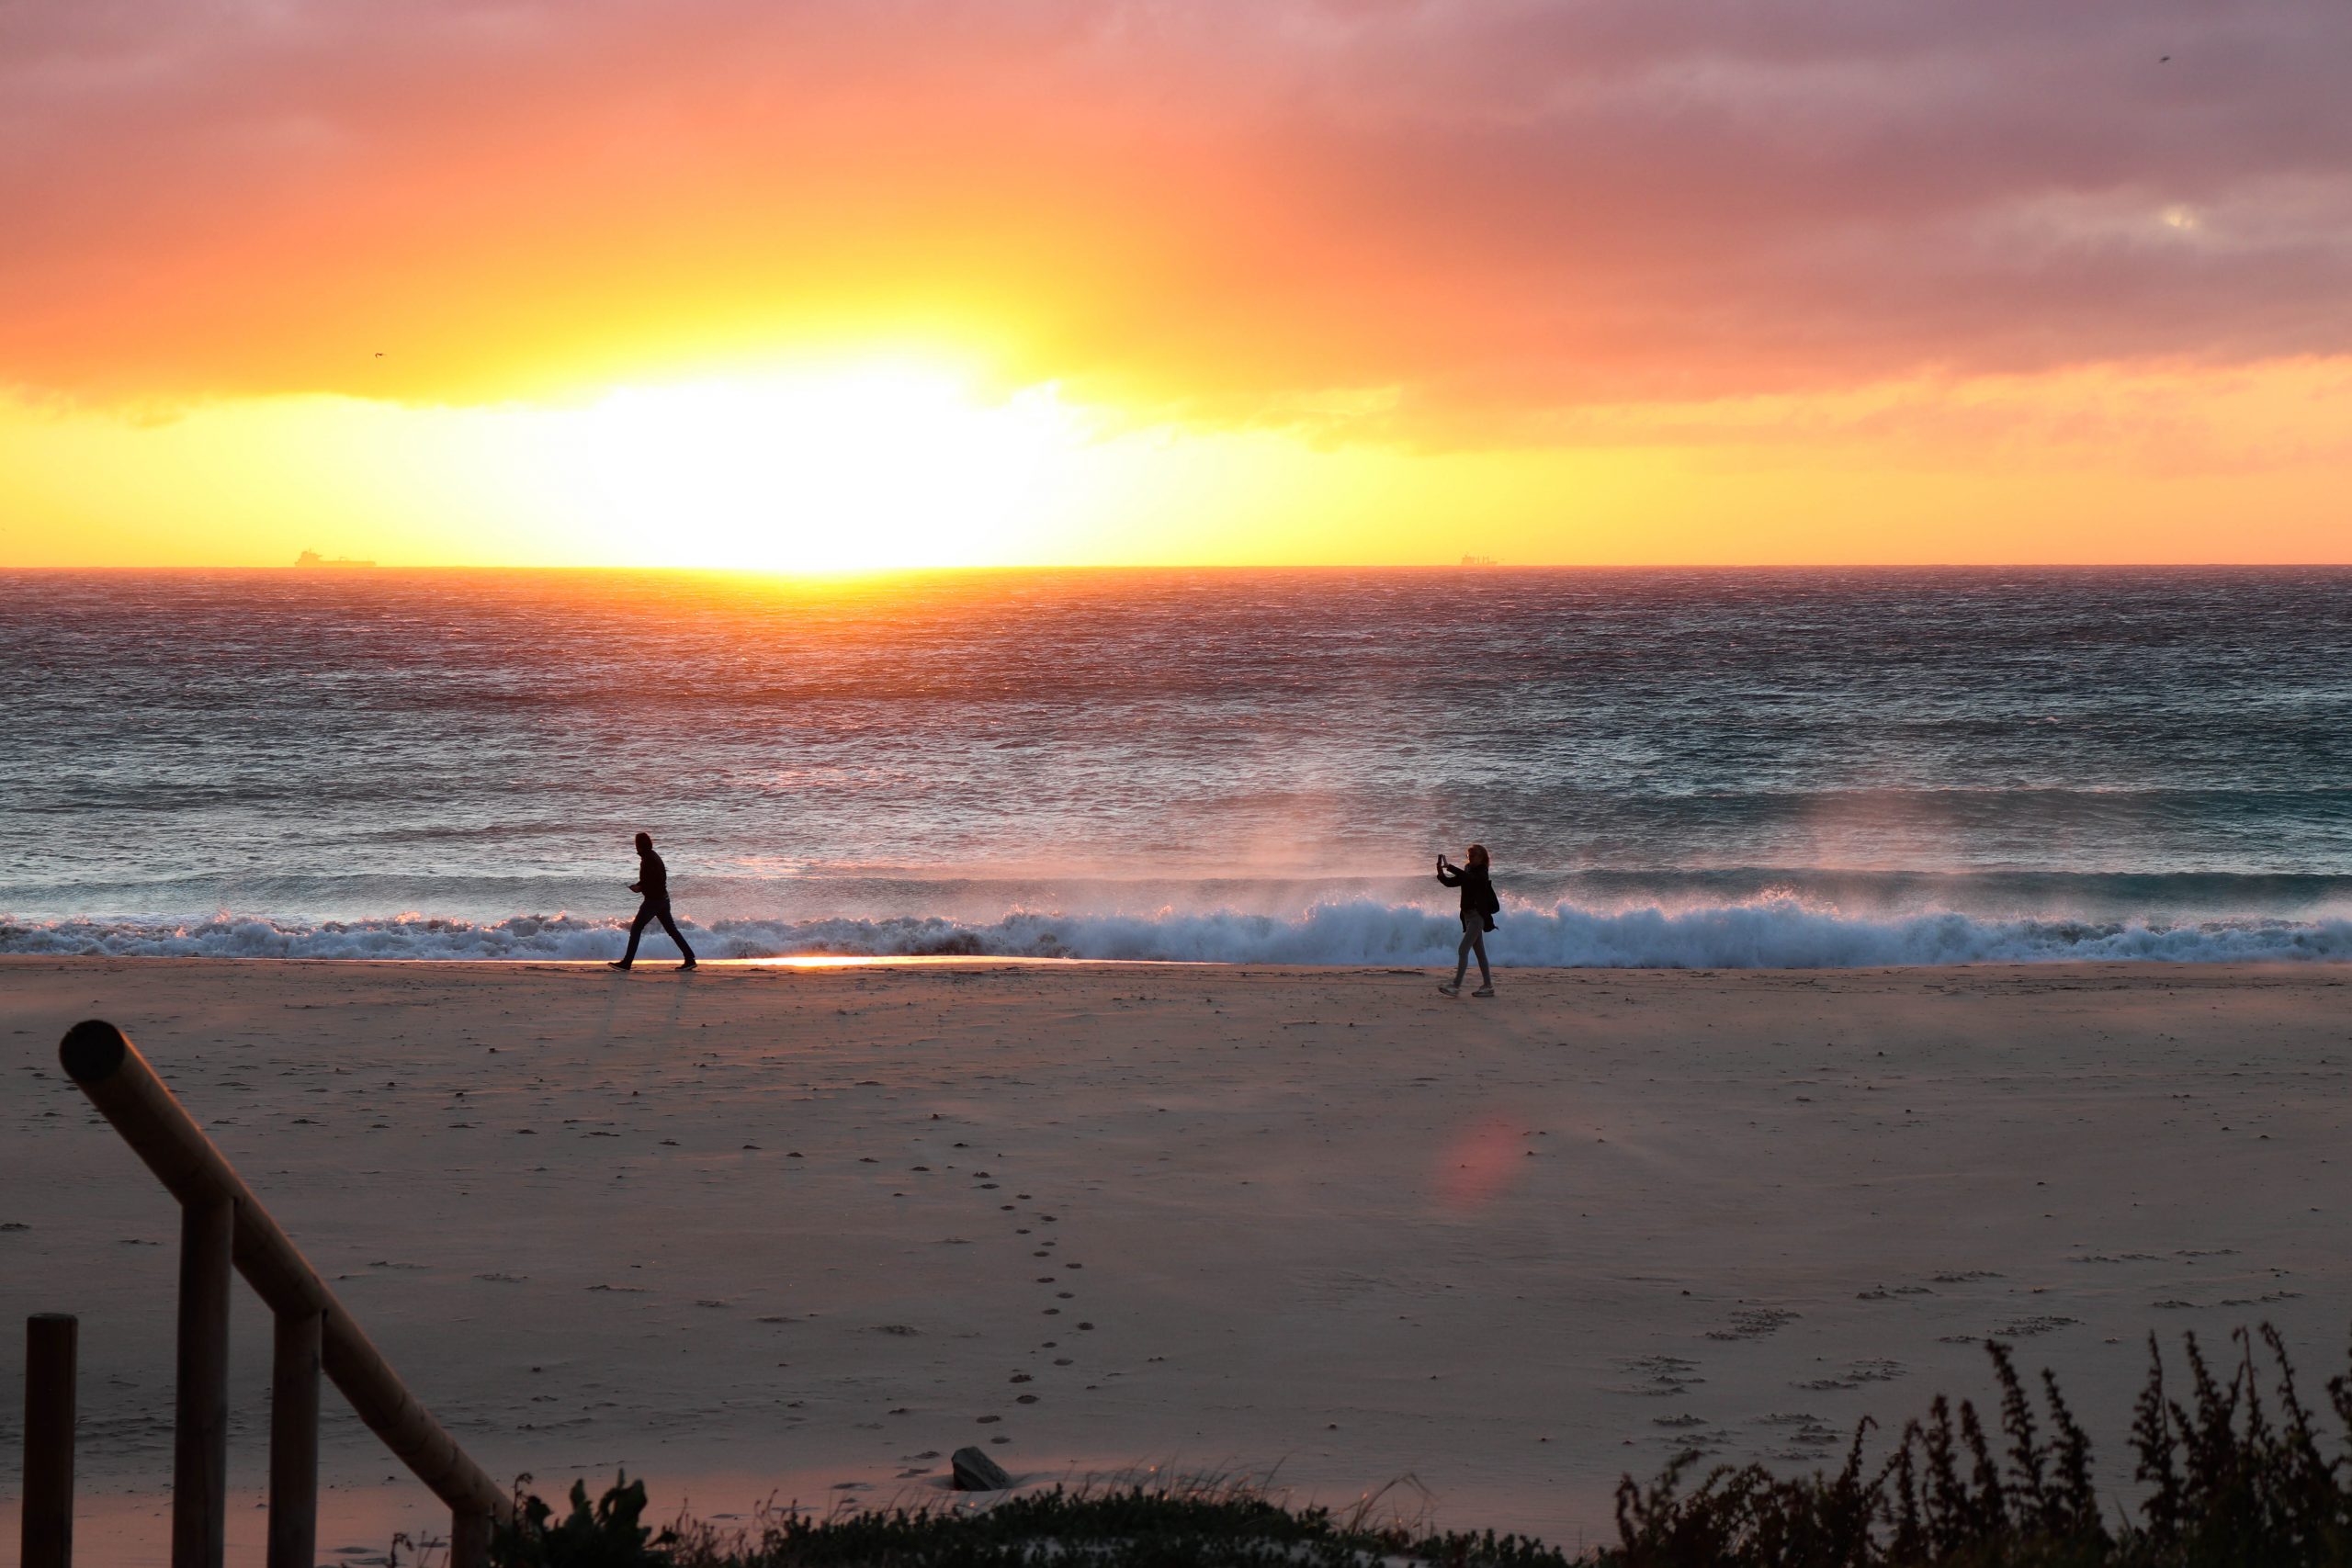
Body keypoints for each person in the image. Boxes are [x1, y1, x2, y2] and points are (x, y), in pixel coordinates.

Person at [608, 830, 697, 971]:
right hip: (663, 899)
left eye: (636, 844)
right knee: (672, 930)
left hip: (653, 901)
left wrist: (639, 888)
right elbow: (652, 880)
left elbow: (651, 882)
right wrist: (640, 885)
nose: (635, 847)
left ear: (639, 846)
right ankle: (690, 958)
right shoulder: (653, 856)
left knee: (636, 929)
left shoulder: (648, 860)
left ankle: (627, 963)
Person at [1434, 843, 1498, 997]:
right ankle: (1488, 986)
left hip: (1477, 917)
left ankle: (1456, 986)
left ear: (1481, 857)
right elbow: (1453, 882)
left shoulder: (1482, 873)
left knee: (1463, 950)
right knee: (1480, 953)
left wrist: (1450, 866)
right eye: (1468, 856)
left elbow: (1471, 879)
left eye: (1472, 856)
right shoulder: (1468, 869)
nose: (1469, 859)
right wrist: (1441, 872)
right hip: (1467, 916)